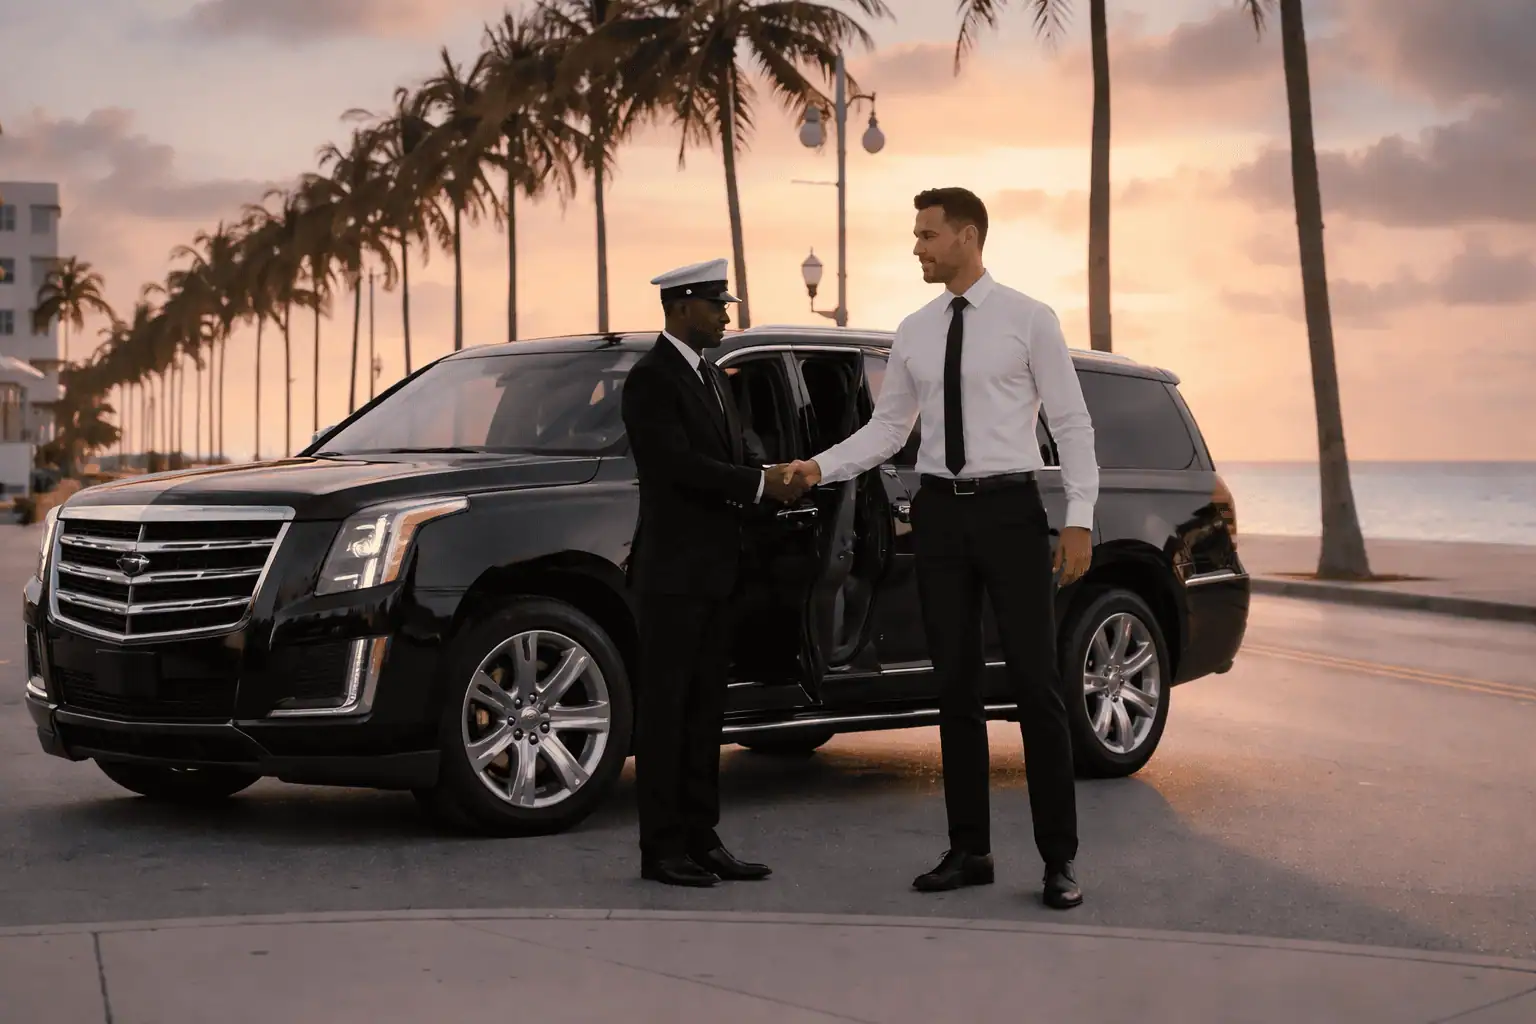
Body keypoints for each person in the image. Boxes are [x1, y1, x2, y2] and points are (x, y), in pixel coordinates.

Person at [784, 188, 1098, 909]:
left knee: (1036, 686)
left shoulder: (1029, 320)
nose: (918, 246)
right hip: (939, 518)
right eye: (916, 234)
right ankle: (969, 850)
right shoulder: (916, 330)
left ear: (967, 235)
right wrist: (819, 466)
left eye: (928, 234)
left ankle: (1059, 860)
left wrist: (1079, 516)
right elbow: (890, 430)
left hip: (1012, 512)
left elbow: (1073, 425)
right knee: (953, 686)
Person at [621, 257, 807, 887]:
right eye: (715, 305)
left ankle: (704, 837)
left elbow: (737, 449)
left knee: (706, 715)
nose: (727, 314)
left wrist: (775, 473)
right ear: (680, 309)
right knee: (667, 714)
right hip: (672, 577)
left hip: (715, 574)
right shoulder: (651, 380)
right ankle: (662, 848)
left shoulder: (711, 377)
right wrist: (760, 484)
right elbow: (677, 466)